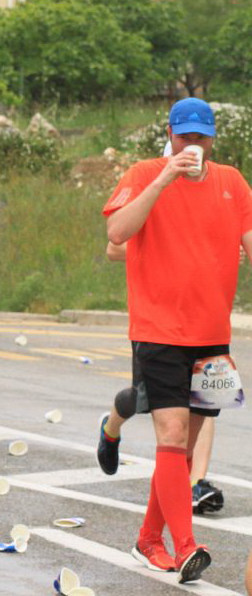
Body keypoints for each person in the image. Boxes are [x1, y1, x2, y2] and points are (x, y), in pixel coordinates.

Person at [100, 97, 251, 582]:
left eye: (200, 136)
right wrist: (165, 177)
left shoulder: (232, 182)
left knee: (184, 448)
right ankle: (186, 546)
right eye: (184, 136)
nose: (192, 144)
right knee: (170, 435)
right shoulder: (145, 173)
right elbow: (117, 232)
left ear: (213, 138)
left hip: (211, 337)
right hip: (158, 330)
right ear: (170, 133)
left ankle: (149, 538)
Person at [99, 242, 224, 517]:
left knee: (202, 406)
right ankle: (110, 429)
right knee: (139, 399)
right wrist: (181, 252)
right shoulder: (156, 212)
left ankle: (195, 482)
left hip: (206, 323)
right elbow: (114, 249)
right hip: (160, 327)